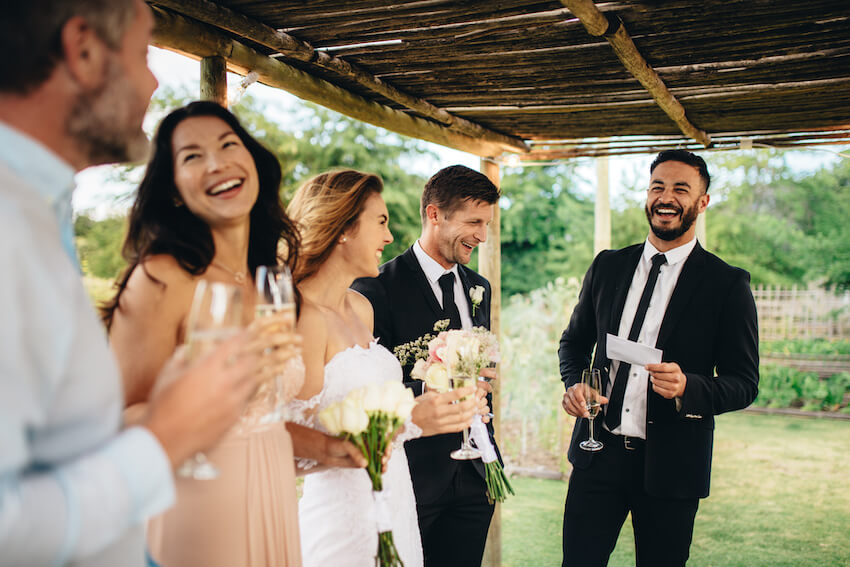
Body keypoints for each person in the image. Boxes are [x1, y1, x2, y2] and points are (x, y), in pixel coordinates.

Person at [0, 2, 267, 566]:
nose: (152, 82)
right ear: (84, 49)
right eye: (144, 54)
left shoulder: (40, 212)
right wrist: (166, 435)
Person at [103, 101, 307, 566]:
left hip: (274, 486)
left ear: (253, 161)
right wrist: (210, 395)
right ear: (174, 190)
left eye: (228, 144)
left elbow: (275, 408)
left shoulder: (271, 278)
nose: (217, 163)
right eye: (192, 156)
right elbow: (117, 420)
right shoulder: (161, 276)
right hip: (196, 499)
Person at [558, 149, 759, 567]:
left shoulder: (727, 284)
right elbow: (573, 343)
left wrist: (690, 386)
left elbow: (744, 382)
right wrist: (576, 383)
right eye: (657, 187)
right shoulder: (608, 266)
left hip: (673, 468)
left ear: (702, 203)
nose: (666, 197)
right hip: (598, 455)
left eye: (681, 189)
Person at [285, 170, 480, 567]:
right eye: (381, 222)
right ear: (342, 229)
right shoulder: (303, 317)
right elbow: (284, 444)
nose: (390, 237)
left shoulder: (362, 309)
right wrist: (408, 420)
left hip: (395, 501)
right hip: (342, 521)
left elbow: (368, 405)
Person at [352, 164, 502, 567]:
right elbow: (363, 387)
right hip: (413, 475)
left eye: (486, 224)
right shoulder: (374, 289)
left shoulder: (478, 288)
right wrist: (429, 391)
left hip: (476, 475)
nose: (482, 236)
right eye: (473, 222)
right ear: (435, 215)